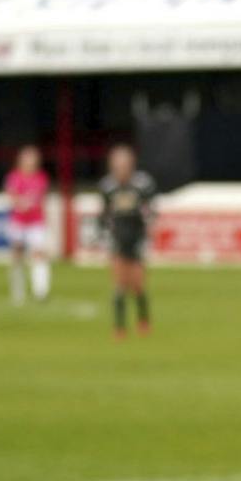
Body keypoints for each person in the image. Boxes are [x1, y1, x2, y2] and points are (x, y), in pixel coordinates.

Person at [96, 145, 156, 338]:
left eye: (124, 164)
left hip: (137, 237)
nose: (121, 169)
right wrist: (104, 232)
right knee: (120, 283)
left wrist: (147, 217)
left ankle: (143, 321)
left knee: (138, 283)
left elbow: (152, 210)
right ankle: (119, 327)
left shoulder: (142, 184)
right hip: (118, 239)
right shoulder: (107, 187)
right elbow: (103, 215)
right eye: (117, 165)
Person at [3, 145, 53, 306]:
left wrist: (25, 202)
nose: (30, 162)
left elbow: (38, 197)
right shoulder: (14, 177)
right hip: (18, 221)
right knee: (17, 256)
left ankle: (41, 291)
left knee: (39, 254)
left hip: (35, 222)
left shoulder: (41, 178)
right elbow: (12, 198)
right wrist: (21, 202)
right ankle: (18, 291)